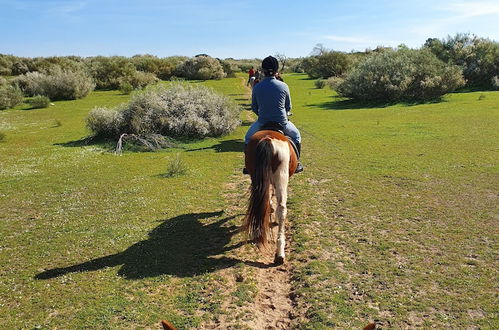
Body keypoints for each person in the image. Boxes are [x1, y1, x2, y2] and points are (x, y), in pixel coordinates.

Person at [244, 56, 303, 173]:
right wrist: (284, 114)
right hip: (282, 122)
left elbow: (254, 107)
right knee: (296, 136)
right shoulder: (284, 86)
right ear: (276, 70)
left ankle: (248, 166)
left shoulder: (257, 86)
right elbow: (288, 106)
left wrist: (262, 114)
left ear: (263, 70)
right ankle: (296, 164)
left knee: (247, 139)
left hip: (262, 122)